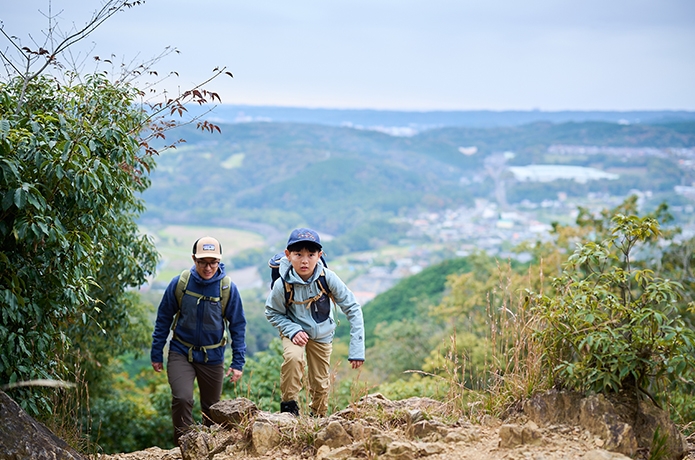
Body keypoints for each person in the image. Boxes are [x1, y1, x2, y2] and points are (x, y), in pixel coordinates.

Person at [151, 236, 246, 444]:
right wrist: (156, 352)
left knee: (211, 409)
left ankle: (210, 449)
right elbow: (163, 318)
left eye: (213, 262)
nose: (208, 267)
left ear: (219, 261)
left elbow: (237, 325)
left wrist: (238, 362)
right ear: (194, 259)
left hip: (212, 357)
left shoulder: (227, 288)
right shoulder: (181, 283)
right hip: (180, 352)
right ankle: (184, 446)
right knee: (182, 398)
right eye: (203, 261)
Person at [265, 228, 365, 417]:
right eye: (298, 254)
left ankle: (318, 417)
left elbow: (353, 308)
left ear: (319, 255)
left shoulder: (327, 278)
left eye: (311, 254)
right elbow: (272, 312)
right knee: (293, 359)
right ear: (288, 255)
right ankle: (289, 411)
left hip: (322, 333)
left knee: (320, 381)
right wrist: (292, 329)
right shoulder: (282, 283)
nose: (305, 260)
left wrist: (357, 350)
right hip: (293, 331)